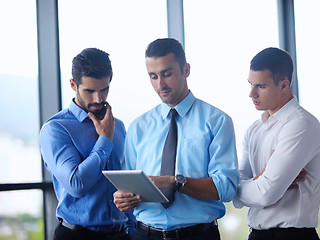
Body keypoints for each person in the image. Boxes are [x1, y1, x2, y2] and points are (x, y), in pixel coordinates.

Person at [113, 38, 239, 240]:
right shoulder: (138, 127)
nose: (160, 84)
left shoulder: (217, 121)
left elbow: (226, 188)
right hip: (144, 235)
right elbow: (129, 186)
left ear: (186, 70)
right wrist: (123, 199)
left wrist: (175, 182)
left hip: (197, 235)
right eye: (153, 76)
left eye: (167, 74)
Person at [39, 48, 135, 240]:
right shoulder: (56, 129)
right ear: (73, 84)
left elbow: (127, 181)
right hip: (77, 235)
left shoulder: (120, 127)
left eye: (104, 90)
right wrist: (105, 139)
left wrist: (132, 229)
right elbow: (76, 185)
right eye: (90, 91)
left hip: (121, 234)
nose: (98, 99)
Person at [233, 47, 320, 240]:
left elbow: (266, 194)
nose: (251, 93)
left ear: (284, 85)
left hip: (292, 236)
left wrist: (246, 186)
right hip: (256, 235)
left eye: (261, 86)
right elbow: (236, 188)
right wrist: (258, 180)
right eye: (250, 84)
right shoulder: (254, 129)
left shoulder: (301, 124)